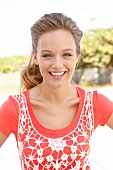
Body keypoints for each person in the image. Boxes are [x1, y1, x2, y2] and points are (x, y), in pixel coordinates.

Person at [0, 13, 113, 170]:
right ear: (36, 57)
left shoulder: (93, 104)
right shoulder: (16, 109)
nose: (57, 64)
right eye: (47, 55)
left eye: (66, 54)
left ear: (77, 57)